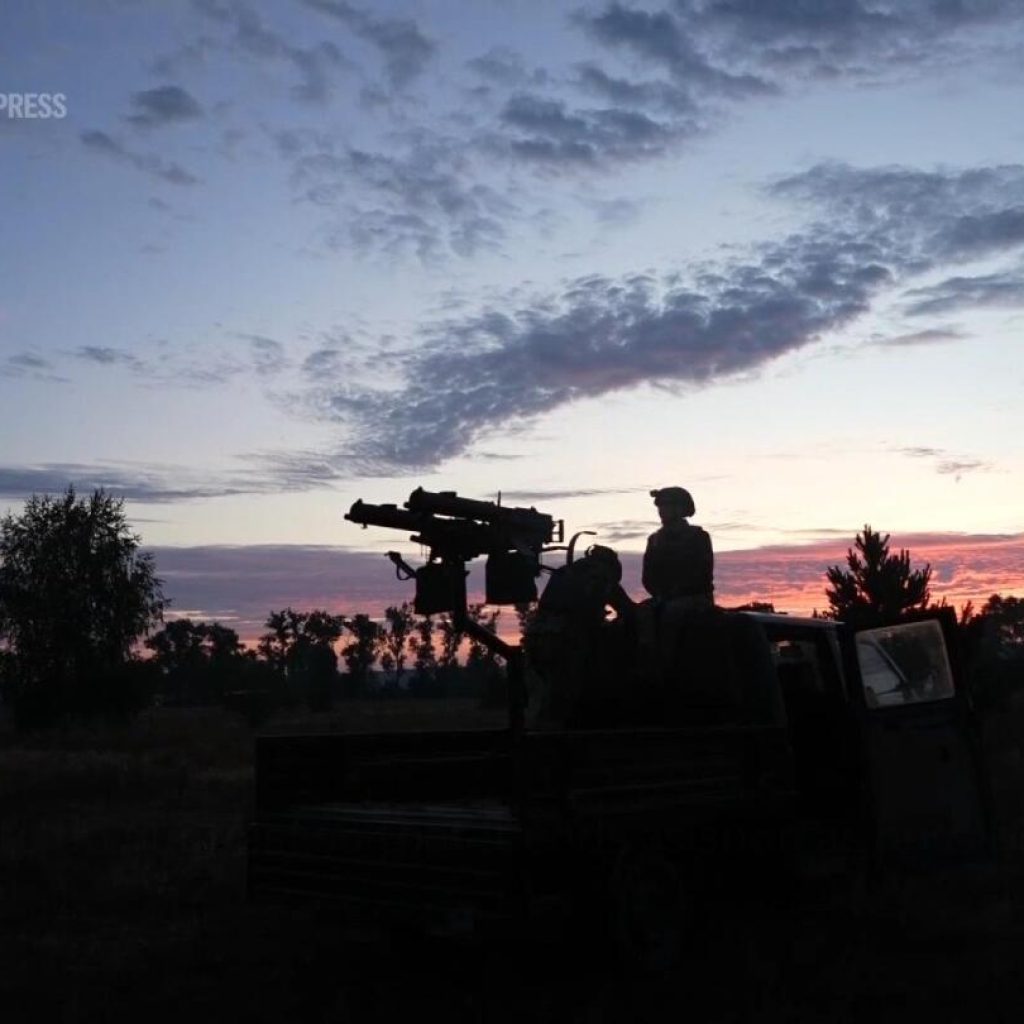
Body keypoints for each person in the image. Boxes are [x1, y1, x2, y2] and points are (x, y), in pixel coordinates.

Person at [642, 486, 714, 608]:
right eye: (660, 506)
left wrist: (678, 593)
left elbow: (703, 574)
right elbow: (648, 577)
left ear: (680, 509)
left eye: (667, 506)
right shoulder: (654, 540)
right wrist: (661, 594)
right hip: (663, 600)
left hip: (694, 601)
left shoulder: (698, 537)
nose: (662, 510)